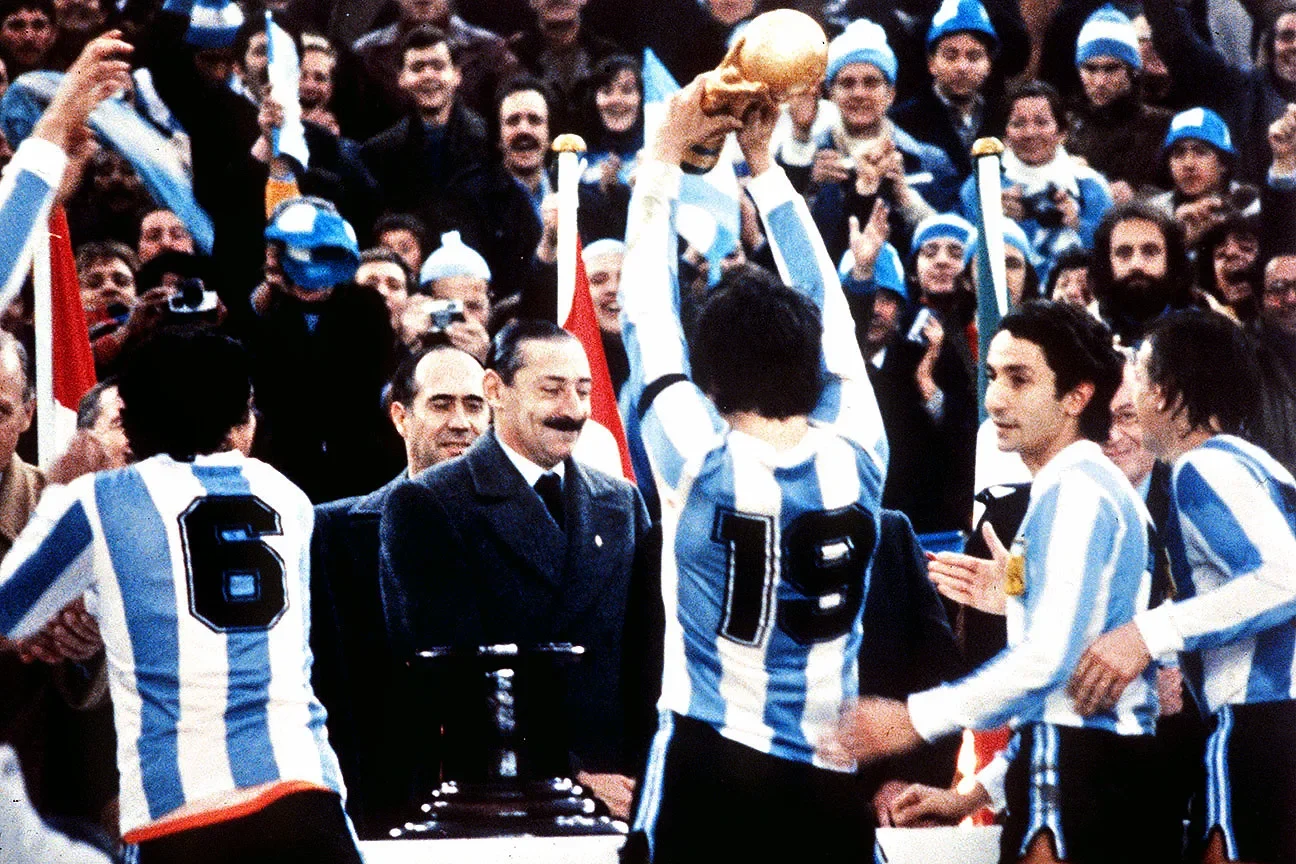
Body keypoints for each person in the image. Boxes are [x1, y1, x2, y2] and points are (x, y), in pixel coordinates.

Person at [622, 79, 890, 862]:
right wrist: (765, 168)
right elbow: (831, 308)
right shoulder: (860, 451)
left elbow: (645, 312)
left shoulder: (696, 458)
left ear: (712, 378)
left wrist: (665, 159)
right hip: (826, 773)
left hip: (709, 761)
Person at [0, 329, 360, 864]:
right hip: (308, 796)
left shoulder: (96, 501)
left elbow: (9, 612)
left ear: (131, 419)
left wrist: (56, 484)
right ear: (242, 421)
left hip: (182, 815)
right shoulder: (289, 497)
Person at [830, 301, 1167, 864]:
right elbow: (1067, 697)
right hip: (1097, 769)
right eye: (991, 376)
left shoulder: (1077, 491)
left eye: (1020, 378)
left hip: (1079, 775)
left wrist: (909, 720)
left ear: (1077, 396)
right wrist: (972, 797)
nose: (995, 399)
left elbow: (1048, 663)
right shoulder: (1093, 489)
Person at [379, 319, 650, 821]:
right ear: (495, 391)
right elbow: (449, 680)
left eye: (583, 390)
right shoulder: (430, 504)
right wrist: (569, 777)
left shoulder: (621, 502)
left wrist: (642, 774)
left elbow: (646, 661)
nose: (572, 410)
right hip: (502, 796)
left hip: (624, 792)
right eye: (552, 390)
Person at [1070, 309, 1296, 864]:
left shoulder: (1201, 468)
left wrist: (1149, 633)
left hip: (1259, 718)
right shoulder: (1259, 465)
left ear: (1165, 394)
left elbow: (1282, 578)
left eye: (1139, 378)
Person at [311, 345, 487, 834]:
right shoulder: (332, 532)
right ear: (400, 417)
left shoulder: (523, 526)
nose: (461, 422)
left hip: (496, 794)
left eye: (474, 406)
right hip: (378, 798)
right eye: (441, 404)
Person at [960, 79, 1112, 283]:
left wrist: (1077, 224)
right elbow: (969, 261)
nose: (1030, 133)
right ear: (1005, 135)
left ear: (1062, 133)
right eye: (1018, 123)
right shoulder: (980, 187)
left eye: (1041, 122)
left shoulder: (1090, 186)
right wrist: (994, 220)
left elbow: (1107, 257)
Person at [1064, 4, 1172, 202]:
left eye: (1111, 69)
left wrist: (1138, 196)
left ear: (1132, 70)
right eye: (1091, 69)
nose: (1100, 82)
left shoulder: (1162, 125)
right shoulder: (1064, 125)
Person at [1091, 201, 1194, 346]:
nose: (1136, 264)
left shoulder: (1201, 330)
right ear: (1107, 262)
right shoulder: (1088, 331)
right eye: (1124, 253)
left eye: (1150, 251)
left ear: (1171, 259)